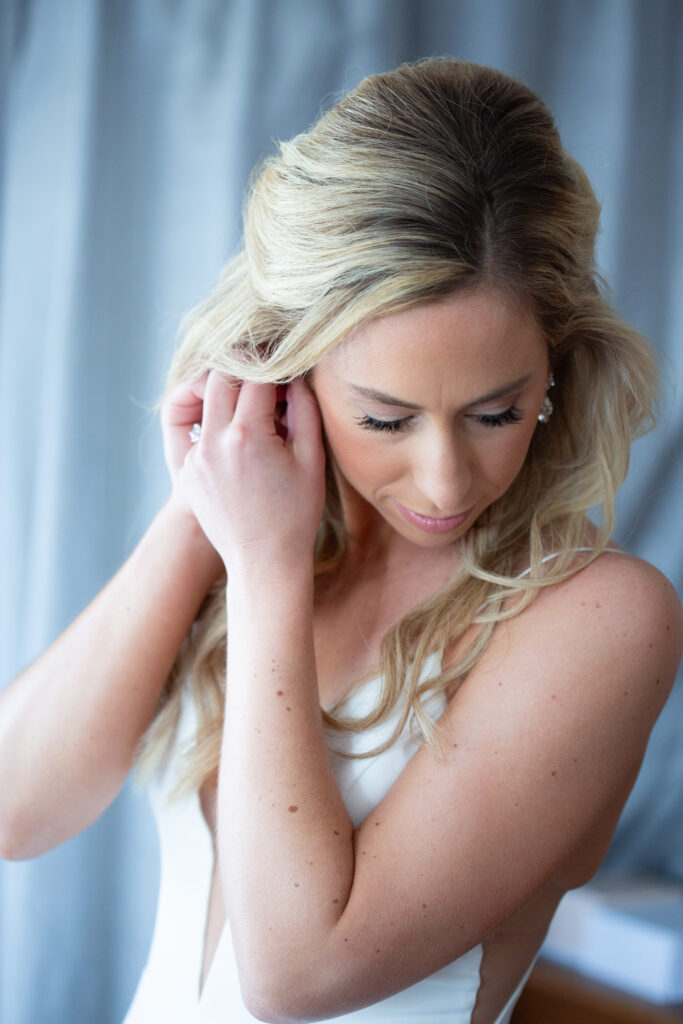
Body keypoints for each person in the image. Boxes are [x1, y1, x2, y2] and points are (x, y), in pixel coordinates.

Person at [0, 58, 681, 1024]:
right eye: (387, 419)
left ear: (556, 367)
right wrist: (207, 497)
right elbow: (18, 812)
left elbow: (295, 977)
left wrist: (267, 571)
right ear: (291, 366)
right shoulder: (252, 529)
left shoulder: (599, 616)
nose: (445, 483)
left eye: (497, 411)